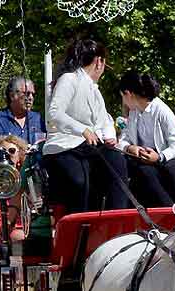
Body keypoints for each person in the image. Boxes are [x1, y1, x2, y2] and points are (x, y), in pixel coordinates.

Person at [42, 39, 129, 214]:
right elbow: (54, 113)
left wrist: (109, 135)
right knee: (79, 181)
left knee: (116, 160)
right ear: (99, 61)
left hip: (88, 148)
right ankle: (78, 226)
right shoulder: (69, 79)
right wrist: (82, 129)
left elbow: (105, 119)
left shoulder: (94, 90)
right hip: (63, 146)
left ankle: (115, 218)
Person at [116, 70, 175, 207]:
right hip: (145, 161)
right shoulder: (134, 113)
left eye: (122, 96)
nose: (123, 101)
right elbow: (123, 140)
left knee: (168, 170)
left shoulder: (162, 112)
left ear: (128, 94)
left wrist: (159, 157)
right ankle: (168, 211)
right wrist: (130, 147)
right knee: (143, 171)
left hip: (168, 160)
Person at [0, 76, 46, 170]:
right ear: (12, 95)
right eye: (26, 93)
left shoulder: (39, 119)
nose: (30, 98)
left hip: (34, 178)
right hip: (5, 177)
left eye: (33, 95)